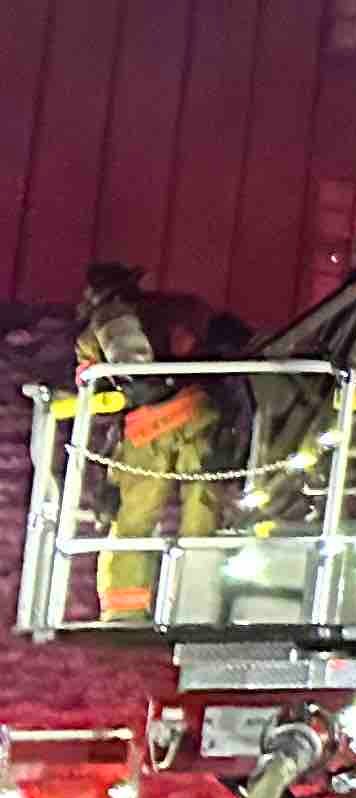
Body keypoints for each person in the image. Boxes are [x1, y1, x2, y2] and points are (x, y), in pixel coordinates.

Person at [71, 262, 213, 621]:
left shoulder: (105, 322)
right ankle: (200, 607)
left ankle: (125, 611)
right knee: (204, 514)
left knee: (133, 519)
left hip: (147, 430)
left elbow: (123, 374)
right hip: (198, 416)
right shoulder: (169, 313)